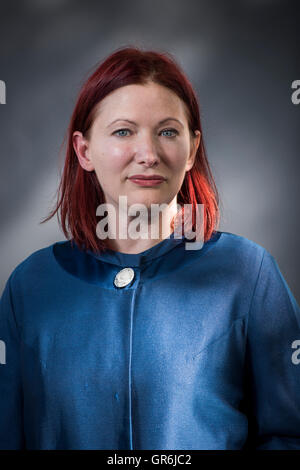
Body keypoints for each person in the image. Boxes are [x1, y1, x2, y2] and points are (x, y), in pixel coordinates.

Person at [0, 46, 299, 450]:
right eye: (124, 131)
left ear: (192, 149)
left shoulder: (248, 274)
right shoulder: (30, 287)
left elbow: (289, 434)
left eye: (168, 132)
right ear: (84, 150)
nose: (149, 154)